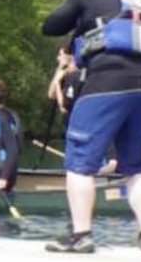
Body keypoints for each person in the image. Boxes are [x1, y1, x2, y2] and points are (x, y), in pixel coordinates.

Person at [41, 0, 141, 253]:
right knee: (135, 164)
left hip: (106, 81)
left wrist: (78, 16)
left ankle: (80, 236)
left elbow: (51, 25)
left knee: (79, 161)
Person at [47, 46, 117, 175]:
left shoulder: (76, 77)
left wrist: (58, 82)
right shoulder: (65, 76)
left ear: (70, 58)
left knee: (96, 164)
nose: (57, 58)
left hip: (84, 129)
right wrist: (58, 75)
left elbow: (63, 107)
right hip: (73, 130)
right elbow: (51, 94)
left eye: (60, 55)